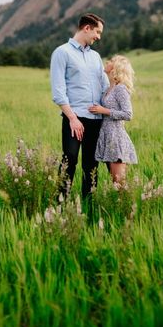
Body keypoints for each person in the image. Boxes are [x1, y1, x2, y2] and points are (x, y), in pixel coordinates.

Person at [50, 13, 109, 199]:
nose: (98, 37)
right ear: (87, 28)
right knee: (70, 158)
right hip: (73, 118)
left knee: (91, 164)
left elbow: (105, 86)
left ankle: (88, 204)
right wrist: (73, 119)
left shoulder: (96, 57)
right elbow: (58, 91)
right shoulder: (62, 52)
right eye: (97, 32)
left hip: (96, 118)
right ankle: (61, 203)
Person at [89, 55, 138, 184]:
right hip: (107, 136)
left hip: (116, 138)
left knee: (119, 183)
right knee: (115, 182)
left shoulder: (121, 89)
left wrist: (104, 111)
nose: (107, 62)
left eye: (111, 61)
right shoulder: (109, 88)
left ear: (116, 68)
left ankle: (127, 205)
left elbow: (128, 114)